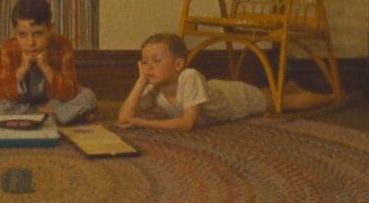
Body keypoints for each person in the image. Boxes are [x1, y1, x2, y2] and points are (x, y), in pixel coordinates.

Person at [117, 32, 337, 131]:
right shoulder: (154, 88)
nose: (149, 66)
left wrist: (143, 123)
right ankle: (289, 86)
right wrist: (140, 81)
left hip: (237, 99)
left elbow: (187, 124)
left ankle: (331, 96)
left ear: (178, 64)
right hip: (217, 89)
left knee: (280, 103)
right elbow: (124, 118)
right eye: (144, 61)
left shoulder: (189, 76)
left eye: (156, 60)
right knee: (270, 93)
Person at [0, 0, 97, 125]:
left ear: (50, 29)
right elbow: (0, 91)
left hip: (54, 102)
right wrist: (22, 70)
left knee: (88, 97)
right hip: (22, 104)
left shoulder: (62, 45)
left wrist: (46, 67)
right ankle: (46, 117)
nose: (31, 42)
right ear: (15, 32)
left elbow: (69, 92)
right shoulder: (9, 47)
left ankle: (30, 118)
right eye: (22, 34)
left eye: (38, 34)